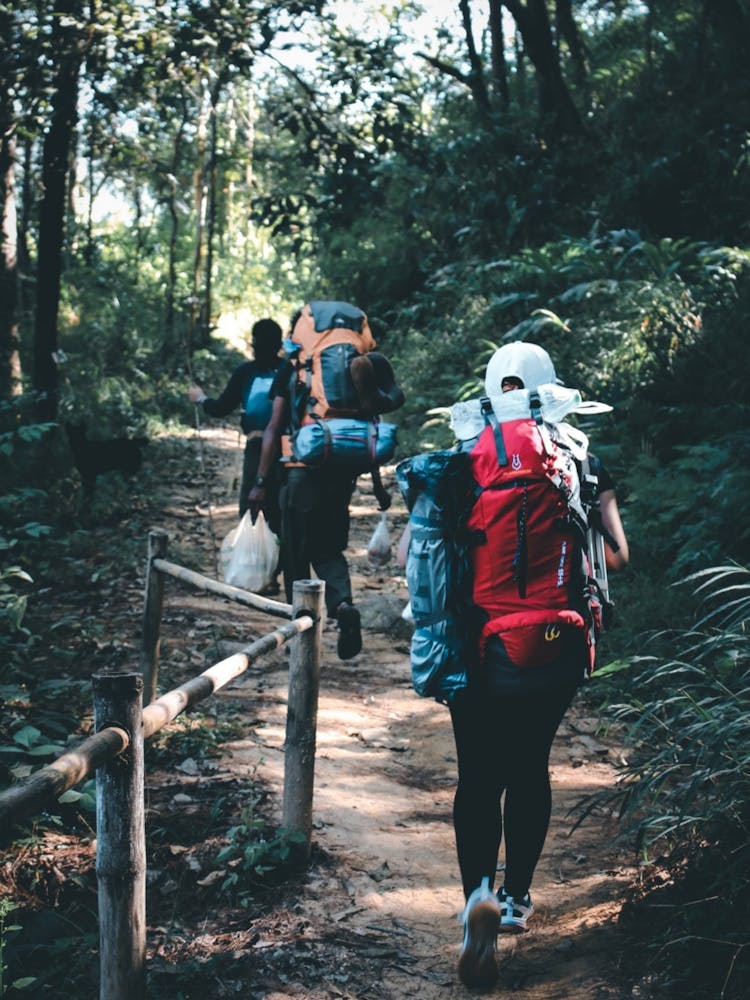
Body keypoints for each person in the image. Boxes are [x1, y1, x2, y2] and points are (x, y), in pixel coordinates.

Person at [401, 342, 628, 990]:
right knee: (530, 768)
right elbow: (617, 558)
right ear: (553, 390)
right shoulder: (581, 458)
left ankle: (477, 892)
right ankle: (518, 898)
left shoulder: (461, 462)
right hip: (557, 648)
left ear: (485, 396)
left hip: (479, 651)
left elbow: (415, 564)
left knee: (478, 775)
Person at [247, 310, 363, 661]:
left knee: (296, 555)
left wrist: (261, 481)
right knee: (329, 548)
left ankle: (300, 635)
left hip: (299, 473)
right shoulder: (351, 365)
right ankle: (342, 606)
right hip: (340, 471)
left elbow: (273, 428)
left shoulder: (294, 367)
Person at [188, 319, 284, 588]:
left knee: (253, 505)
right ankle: (271, 572)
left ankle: (260, 571)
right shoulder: (287, 370)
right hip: (286, 449)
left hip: (259, 447)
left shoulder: (248, 372)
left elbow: (220, 407)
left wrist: (200, 399)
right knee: (276, 508)